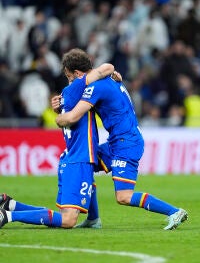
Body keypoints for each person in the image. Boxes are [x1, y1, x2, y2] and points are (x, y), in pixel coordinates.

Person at [55, 49, 188, 230]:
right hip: (120, 141)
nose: (70, 82)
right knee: (87, 163)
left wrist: (59, 117)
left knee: (123, 197)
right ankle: (93, 220)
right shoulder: (109, 80)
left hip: (126, 143)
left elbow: (72, 117)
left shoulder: (95, 88)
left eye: (70, 77)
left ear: (78, 74)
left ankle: (174, 212)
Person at [0, 53, 117, 229]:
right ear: (80, 75)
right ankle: (8, 216)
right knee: (68, 220)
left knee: (67, 211)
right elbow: (106, 68)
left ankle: (11, 205)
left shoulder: (66, 94)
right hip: (78, 159)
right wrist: (113, 74)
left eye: (68, 75)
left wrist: (58, 111)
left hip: (72, 156)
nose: (68, 79)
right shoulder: (78, 87)